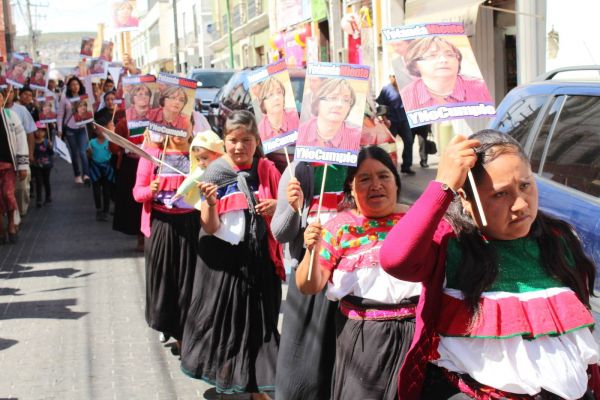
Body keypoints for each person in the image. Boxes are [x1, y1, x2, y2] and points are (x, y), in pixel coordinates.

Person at [380, 130, 600, 399]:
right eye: (500, 194)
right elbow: (395, 260)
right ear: (466, 198)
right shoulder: (451, 243)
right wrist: (442, 185)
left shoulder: (557, 239)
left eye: (525, 185)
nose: (520, 204)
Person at [295, 146, 419, 400]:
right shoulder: (338, 228)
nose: (376, 185)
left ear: (396, 182)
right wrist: (312, 250)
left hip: (417, 336)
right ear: (351, 187)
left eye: (384, 176)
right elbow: (309, 285)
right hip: (364, 340)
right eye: (364, 179)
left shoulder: (418, 220)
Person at [181, 110, 283, 400]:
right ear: (224, 140)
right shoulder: (214, 173)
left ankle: (256, 387)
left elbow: (284, 221)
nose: (240, 146)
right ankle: (231, 379)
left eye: (246, 140)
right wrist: (211, 203)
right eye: (233, 140)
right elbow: (210, 228)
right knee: (233, 324)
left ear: (257, 140)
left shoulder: (266, 171)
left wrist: (278, 207)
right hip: (226, 266)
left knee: (262, 323)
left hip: (261, 259)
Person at [271, 158, 348, 399]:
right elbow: (281, 233)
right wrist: (294, 208)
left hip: (349, 285)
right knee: (302, 372)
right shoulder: (299, 171)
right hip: (309, 276)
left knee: (340, 369)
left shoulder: (360, 164)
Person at [133, 129, 199, 352]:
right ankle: (167, 323)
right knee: (165, 281)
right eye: (174, 127)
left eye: (184, 126)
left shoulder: (199, 153)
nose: (180, 132)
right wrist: (149, 191)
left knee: (188, 280)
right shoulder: (152, 153)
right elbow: (137, 192)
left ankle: (185, 335)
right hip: (161, 225)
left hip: (192, 225)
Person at [400, 36, 493, 111]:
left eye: (450, 54)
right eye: (432, 55)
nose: (443, 60)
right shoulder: (407, 96)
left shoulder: (480, 88)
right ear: (415, 64)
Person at [296, 78, 361, 151]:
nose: (339, 104)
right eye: (333, 98)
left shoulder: (357, 137)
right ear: (318, 103)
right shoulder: (299, 133)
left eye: (346, 100)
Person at [0, 90, 29, 244]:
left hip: (8, 165)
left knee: (8, 194)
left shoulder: (11, 116)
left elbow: (22, 140)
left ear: (2, 100)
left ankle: (11, 223)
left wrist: (23, 165)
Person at [169, 130, 223, 210]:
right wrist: (180, 192)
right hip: (209, 204)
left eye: (204, 158)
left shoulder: (224, 166)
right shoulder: (202, 170)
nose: (201, 163)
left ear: (217, 154)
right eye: (197, 159)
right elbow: (190, 181)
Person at [5, 88, 36, 217]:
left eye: (10, 92)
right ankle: (12, 217)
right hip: (4, 159)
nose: (7, 95)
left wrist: (30, 154)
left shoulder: (20, 111)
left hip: (19, 155)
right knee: (7, 191)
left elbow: (29, 134)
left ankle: (20, 212)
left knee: (21, 188)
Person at [377, 74, 415, 175]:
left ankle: (406, 166)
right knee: (390, 145)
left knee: (409, 141)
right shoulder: (386, 89)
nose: (395, 78)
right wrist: (385, 119)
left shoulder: (405, 88)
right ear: (390, 77)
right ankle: (389, 167)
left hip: (404, 120)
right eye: (393, 76)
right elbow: (380, 106)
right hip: (391, 121)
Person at [57, 76, 91, 184]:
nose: (75, 86)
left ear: (80, 86)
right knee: (74, 153)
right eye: (72, 85)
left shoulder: (84, 97)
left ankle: (86, 174)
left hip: (82, 128)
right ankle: (77, 174)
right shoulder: (64, 99)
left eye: (77, 84)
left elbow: (90, 112)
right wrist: (59, 129)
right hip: (70, 129)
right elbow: (60, 114)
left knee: (82, 152)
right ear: (69, 87)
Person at [87, 113, 115, 221]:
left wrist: (111, 149)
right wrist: (89, 152)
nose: (101, 132)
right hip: (95, 168)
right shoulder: (92, 142)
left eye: (103, 129)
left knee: (107, 191)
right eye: (99, 130)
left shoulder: (110, 141)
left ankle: (106, 210)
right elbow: (88, 155)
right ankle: (99, 209)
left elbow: (113, 152)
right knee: (96, 190)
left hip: (107, 168)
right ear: (95, 131)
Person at [256, 76, 299, 141]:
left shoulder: (296, 118)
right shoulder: (260, 131)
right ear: (263, 103)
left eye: (279, 92)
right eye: (270, 94)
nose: (276, 97)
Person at [31, 121, 53, 208]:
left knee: (46, 180)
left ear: (45, 132)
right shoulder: (32, 142)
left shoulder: (47, 142)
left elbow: (51, 153)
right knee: (39, 182)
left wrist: (50, 147)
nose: (39, 132)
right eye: (37, 130)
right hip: (36, 165)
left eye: (41, 131)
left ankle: (48, 196)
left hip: (46, 165)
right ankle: (39, 199)